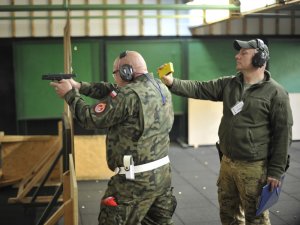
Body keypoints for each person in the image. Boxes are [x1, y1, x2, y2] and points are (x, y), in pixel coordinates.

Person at [160, 39, 293, 225]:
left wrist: (276, 172)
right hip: (227, 163)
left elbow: (283, 134)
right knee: (228, 216)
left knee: (256, 219)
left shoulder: (276, 93)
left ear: (260, 58)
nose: (237, 56)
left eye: (244, 53)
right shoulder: (230, 84)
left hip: (254, 167)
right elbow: (199, 88)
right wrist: (172, 82)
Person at [50, 50, 177, 224]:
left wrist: (70, 94)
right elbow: (112, 89)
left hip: (134, 184)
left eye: (115, 73)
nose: (115, 78)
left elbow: (90, 118)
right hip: (162, 176)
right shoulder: (160, 87)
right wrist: (79, 86)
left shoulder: (128, 95)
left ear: (127, 71)